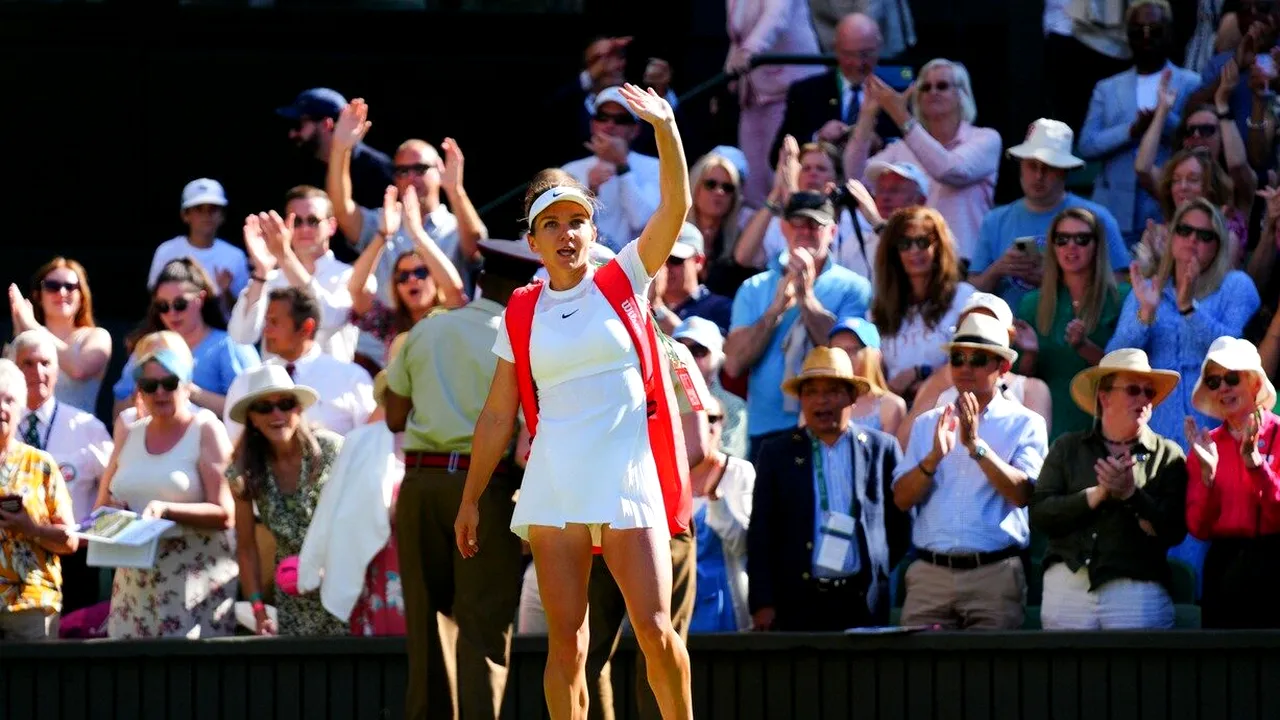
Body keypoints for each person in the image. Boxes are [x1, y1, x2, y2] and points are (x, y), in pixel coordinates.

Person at [454, 84, 694, 720]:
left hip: (625, 473)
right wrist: (472, 497)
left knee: (655, 631)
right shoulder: (522, 310)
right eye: (551, 225)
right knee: (566, 642)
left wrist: (665, 127)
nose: (566, 234)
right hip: (555, 481)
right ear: (533, 243)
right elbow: (498, 414)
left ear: (593, 228)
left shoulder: (624, 276)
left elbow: (676, 203)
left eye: (576, 221)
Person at [385, 238, 543, 720]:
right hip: (484, 489)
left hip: (419, 486)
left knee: (428, 625)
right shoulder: (525, 339)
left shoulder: (429, 330)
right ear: (526, 288)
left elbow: (394, 414)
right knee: (482, 627)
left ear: (479, 280)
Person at [749, 347, 909, 631]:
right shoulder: (777, 453)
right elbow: (761, 531)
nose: (821, 401)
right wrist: (763, 602)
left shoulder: (881, 448)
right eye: (810, 392)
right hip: (797, 602)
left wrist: (876, 564)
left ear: (852, 396)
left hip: (863, 600)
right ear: (800, 399)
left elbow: (899, 525)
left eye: (832, 391)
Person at [1031, 349, 1188, 630]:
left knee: (1136, 674)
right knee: (1065, 674)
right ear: (1104, 396)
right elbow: (1040, 514)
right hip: (1069, 586)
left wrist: (1131, 494)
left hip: (1137, 590)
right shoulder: (1068, 448)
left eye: (1149, 393)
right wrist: (1096, 495)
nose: (1143, 400)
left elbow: (1175, 530)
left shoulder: (1169, 455)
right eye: (1133, 390)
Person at [96, 343, 238, 639]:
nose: (159, 392)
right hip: (134, 579)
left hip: (191, 577)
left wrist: (165, 510)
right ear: (140, 391)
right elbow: (107, 498)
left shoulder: (205, 428)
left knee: (184, 678)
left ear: (186, 387)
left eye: (169, 383)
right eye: (150, 385)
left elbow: (226, 513)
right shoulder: (130, 432)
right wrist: (115, 510)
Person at [227, 365, 347, 637]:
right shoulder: (242, 470)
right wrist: (258, 611)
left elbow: (360, 519)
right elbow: (246, 546)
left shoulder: (332, 449)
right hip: (293, 595)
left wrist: (338, 566)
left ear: (298, 410)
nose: (277, 414)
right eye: (264, 408)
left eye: (285, 404)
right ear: (252, 419)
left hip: (345, 587)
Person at [1185, 336, 1280, 628]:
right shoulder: (1206, 445)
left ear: (1254, 383)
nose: (1223, 388)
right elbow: (1198, 528)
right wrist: (1207, 478)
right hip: (1223, 567)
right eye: (1214, 382)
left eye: (1232, 378)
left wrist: (1256, 465)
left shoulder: (1279, 434)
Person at [0, 358, 79, 641]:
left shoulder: (40, 464)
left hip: (30, 603)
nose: (2, 407)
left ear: (20, 408)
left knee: (34, 686)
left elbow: (70, 540)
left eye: (9, 400)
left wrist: (31, 528)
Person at [8, 258, 112, 414]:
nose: (62, 292)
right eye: (52, 286)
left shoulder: (97, 336)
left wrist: (32, 325)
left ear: (81, 296)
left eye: (70, 287)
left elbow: (79, 369)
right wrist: (20, 334)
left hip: (78, 434)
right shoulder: (28, 337)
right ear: (38, 296)